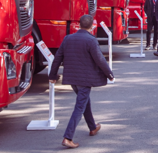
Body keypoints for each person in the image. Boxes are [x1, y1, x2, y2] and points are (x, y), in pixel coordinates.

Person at [48, 15, 114, 149]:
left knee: (83, 101)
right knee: (79, 106)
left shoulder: (68, 38)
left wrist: (52, 75)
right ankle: (68, 137)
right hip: (85, 79)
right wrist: (110, 74)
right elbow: (99, 59)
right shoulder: (91, 40)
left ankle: (92, 127)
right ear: (91, 27)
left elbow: (58, 57)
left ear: (79, 25)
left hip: (73, 78)